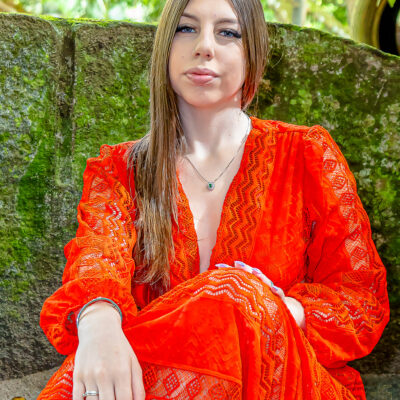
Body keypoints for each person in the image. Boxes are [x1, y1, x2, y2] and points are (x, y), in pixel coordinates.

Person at [38, 0, 390, 399]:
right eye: (186, 29)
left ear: (253, 53)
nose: (204, 46)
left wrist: (279, 310)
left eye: (227, 32)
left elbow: (362, 301)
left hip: (285, 383)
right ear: (165, 46)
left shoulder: (305, 154)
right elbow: (97, 258)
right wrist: (98, 321)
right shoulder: (120, 169)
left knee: (237, 294)